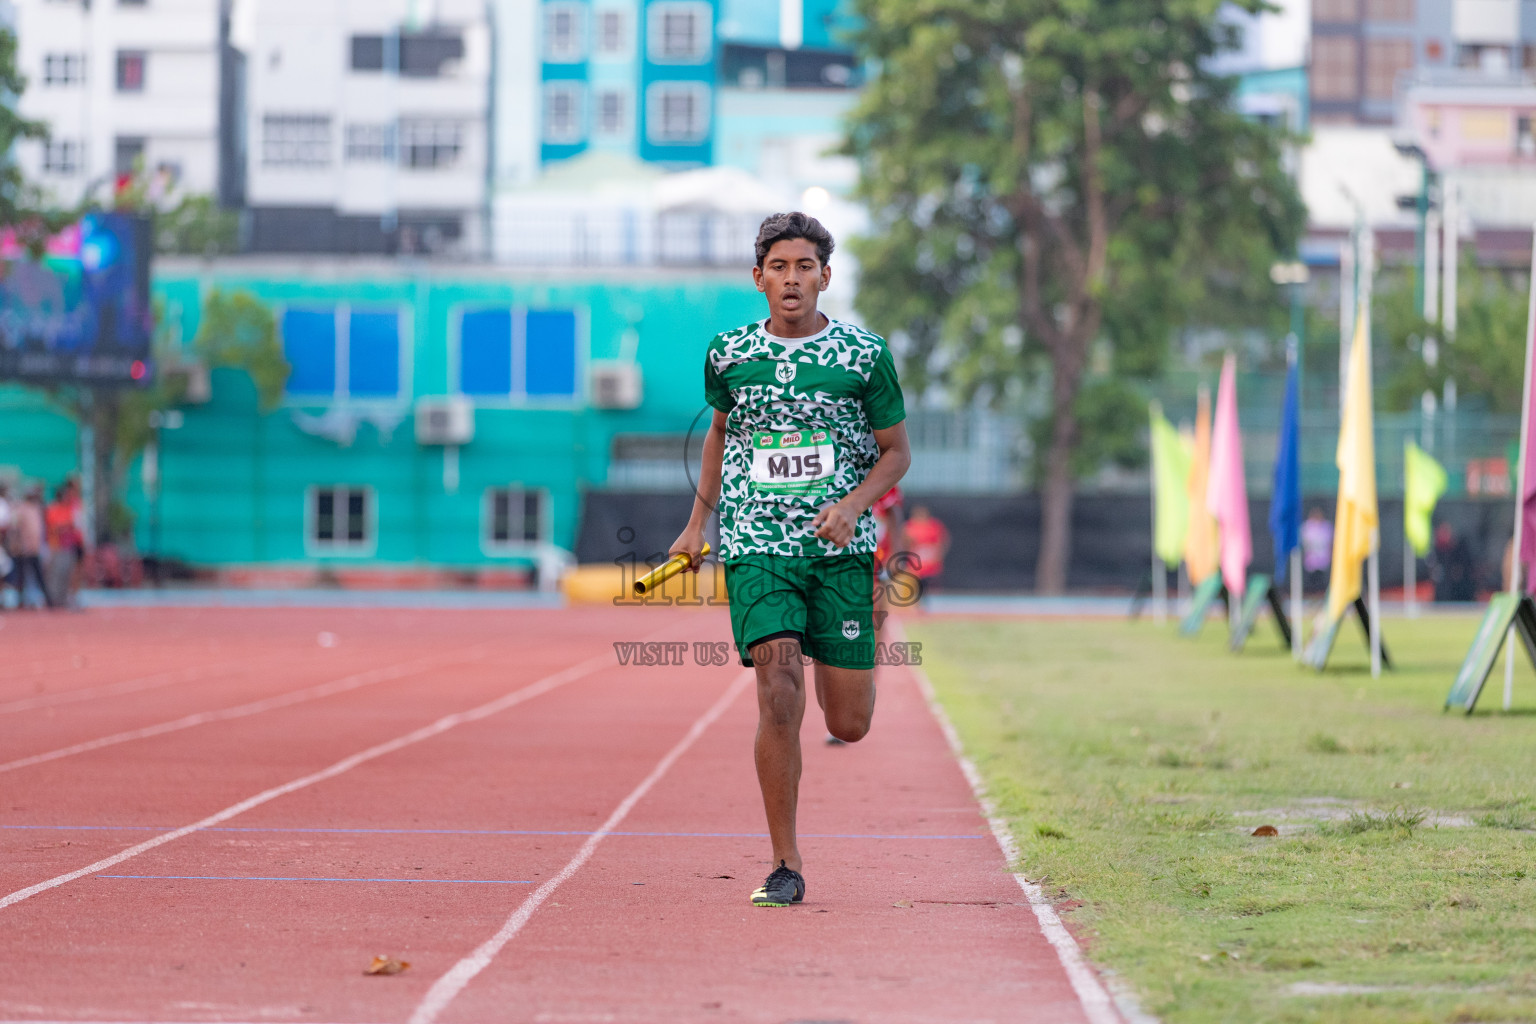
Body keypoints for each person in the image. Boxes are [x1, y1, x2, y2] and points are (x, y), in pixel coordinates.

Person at [669, 212, 910, 908]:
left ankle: (861, 646)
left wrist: (854, 505)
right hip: (756, 546)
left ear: (825, 277)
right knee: (777, 685)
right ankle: (785, 862)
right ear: (759, 278)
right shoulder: (728, 352)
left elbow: (897, 451)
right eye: (779, 267)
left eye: (805, 266)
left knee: (848, 724)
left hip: (839, 553)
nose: (792, 279)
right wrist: (697, 525)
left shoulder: (864, 356)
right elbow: (718, 434)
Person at [903, 505, 950, 603]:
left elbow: (942, 541)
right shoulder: (909, 527)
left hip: (930, 563)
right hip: (915, 564)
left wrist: (939, 554)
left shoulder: (934, 526)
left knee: (931, 586)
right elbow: (904, 543)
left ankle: (931, 605)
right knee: (916, 585)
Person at [11, 484, 48, 609]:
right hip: (24, 549)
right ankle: (21, 601)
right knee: (22, 577)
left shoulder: (36, 509)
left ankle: (46, 600)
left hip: (36, 548)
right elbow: (16, 528)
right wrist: (17, 544)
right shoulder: (21, 509)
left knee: (38, 576)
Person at [1299, 507, 1332, 596]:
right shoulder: (1307, 527)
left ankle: (1322, 594)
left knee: (1322, 580)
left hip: (1323, 559)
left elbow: (1329, 542)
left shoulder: (1326, 526)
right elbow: (1305, 542)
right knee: (1311, 580)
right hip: (1311, 559)